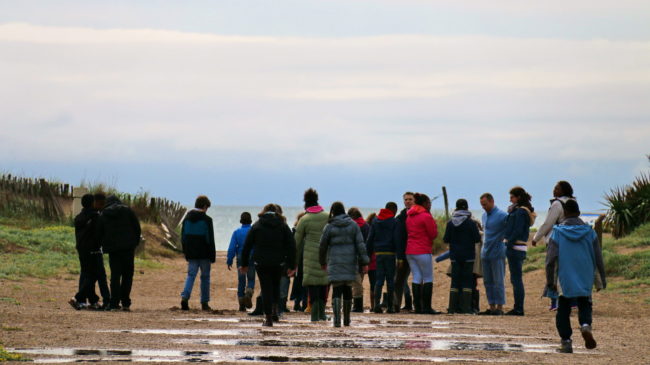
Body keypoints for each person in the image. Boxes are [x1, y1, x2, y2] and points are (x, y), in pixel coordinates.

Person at [545, 200, 606, 353]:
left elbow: (550, 259)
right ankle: (585, 325)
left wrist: (550, 280)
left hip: (565, 275)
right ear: (579, 213)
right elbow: (598, 257)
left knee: (563, 308)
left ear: (564, 214)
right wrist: (602, 280)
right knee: (585, 302)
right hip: (585, 273)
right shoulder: (590, 232)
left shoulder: (558, 232)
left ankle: (566, 342)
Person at [240, 204, 297, 327]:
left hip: (261, 262)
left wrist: (244, 264)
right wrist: (292, 265)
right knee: (276, 285)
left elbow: (247, 246)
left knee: (266, 288)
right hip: (278, 262)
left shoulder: (257, 225)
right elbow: (291, 245)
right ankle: (275, 311)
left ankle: (268, 317)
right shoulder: (283, 225)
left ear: (264, 212)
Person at [319, 202, 369, 327]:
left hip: (335, 262)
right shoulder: (353, 225)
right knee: (347, 288)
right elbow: (360, 245)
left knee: (337, 289)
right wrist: (364, 262)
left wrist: (322, 261)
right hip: (350, 262)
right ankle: (346, 319)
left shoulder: (329, 226)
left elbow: (322, 245)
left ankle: (336, 320)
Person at [532, 181, 577, 311]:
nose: (554, 190)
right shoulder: (572, 202)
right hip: (570, 240)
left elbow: (548, 223)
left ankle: (554, 301)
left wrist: (536, 237)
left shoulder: (557, 204)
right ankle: (573, 301)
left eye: (557, 188)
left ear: (563, 190)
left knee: (552, 269)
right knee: (569, 271)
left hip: (555, 240)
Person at [96, 195, 141, 311]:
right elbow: (137, 228)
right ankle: (126, 302)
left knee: (115, 276)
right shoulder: (128, 211)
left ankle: (114, 303)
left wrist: (103, 245)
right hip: (128, 248)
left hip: (113, 250)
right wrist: (135, 243)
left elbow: (99, 231)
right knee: (127, 275)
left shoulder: (104, 214)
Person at [294, 188, 330, 322]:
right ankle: (322, 314)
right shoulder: (327, 217)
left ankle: (314, 316)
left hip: (309, 258)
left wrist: (294, 262)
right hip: (325, 257)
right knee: (323, 285)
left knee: (313, 286)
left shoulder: (304, 219)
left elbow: (296, 243)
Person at [70, 193, 108, 310]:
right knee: (94, 275)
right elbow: (99, 234)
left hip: (82, 249)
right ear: (93, 203)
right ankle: (78, 298)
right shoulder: (96, 216)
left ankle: (92, 300)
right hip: (93, 250)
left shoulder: (79, 217)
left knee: (86, 273)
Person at [443, 199, 481, 314]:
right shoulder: (471, 223)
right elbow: (477, 239)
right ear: (467, 208)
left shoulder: (450, 223)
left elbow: (446, 239)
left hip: (455, 256)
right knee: (467, 281)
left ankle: (452, 308)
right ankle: (466, 308)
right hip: (468, 255)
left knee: (455, 281)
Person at [405, 193, 441, 315]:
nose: (430, 205)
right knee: (428, 278)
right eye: (429, 203)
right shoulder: (425, 216)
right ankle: (427, 307)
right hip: (423, 250)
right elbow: (433, 234)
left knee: (416, 277)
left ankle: (418, 307)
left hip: (410, 250)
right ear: (425, 203)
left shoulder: (409, 216)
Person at [503, 186, 536, 316]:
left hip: (516, 247)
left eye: (512, 197)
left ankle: (518, 308)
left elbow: (517, 230)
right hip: (517, 247)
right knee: (515, 278)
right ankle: (517, 307)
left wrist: (509, 243)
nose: (510, 199)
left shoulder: (521, 212)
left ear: (518, 197)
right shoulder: (520, 210)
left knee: (516, 279)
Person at [179, 196, 216, 311]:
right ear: (205, 206)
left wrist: (185, 251)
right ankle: (204, 302)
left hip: (191, 252)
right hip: (204, 253)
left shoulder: (187, 219)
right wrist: (212, 255)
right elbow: (210, 239)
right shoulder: (207, 220)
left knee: (191, 275)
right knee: (205, 277)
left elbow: (183, 237)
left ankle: (185, 298)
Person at [478, 193, 508, 315]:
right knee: (487, 281)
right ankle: (492, 306)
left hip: (497, 252)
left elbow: (510, 229)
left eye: (485, 204)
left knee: (498, 280)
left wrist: (505, 240)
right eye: (482, 205)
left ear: (491, 201)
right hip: (485, 252)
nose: (483, 207)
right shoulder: (484, 216)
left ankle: (500, 307)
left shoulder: (502, 215)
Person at [366, 202, 399, 314]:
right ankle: (390, 307)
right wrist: (399, 256)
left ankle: (376, 305)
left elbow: (370, 239)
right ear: (394, 210)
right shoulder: (394, 222)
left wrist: (368, 255)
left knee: (379, 281)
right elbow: (396, 239)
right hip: (390, 254)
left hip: (378, 254)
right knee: (390, 281)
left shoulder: (375, 221)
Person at [227, 212, 254, 312]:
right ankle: (249, 293)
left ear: (241, 220)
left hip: (240, 258)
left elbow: (232, 248)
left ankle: (241, 304)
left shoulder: (236, 232)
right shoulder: (253, 231)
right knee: (251, 279)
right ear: (250, 220)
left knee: (241, 281)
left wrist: (229, 260)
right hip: (252, 257)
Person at [394, 192, 415, 312]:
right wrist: (400, 255)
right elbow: (398, 237)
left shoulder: (418, 215)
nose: (407, 201)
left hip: (415, 251)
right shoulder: (400, 217)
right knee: (400, 279)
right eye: (406, 199)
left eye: (410, 199)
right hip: (403, 252)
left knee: (414, 278)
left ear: (414, 200)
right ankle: (400, 304)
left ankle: (410, 303)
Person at [348, 207, 370, 313]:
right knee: (359, 281)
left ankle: (357, 306)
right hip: (364, 256)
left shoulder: (351, 226)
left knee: (355, 283)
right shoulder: (366, 226)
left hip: (353, 257)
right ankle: (357, 304)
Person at [290, 212, 308, 312]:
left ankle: (297, 302)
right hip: (304, 258)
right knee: (304, 282)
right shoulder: (304, 231)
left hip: (298, 259)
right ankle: (303, 302)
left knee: (298, 281)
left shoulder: (295, 230)